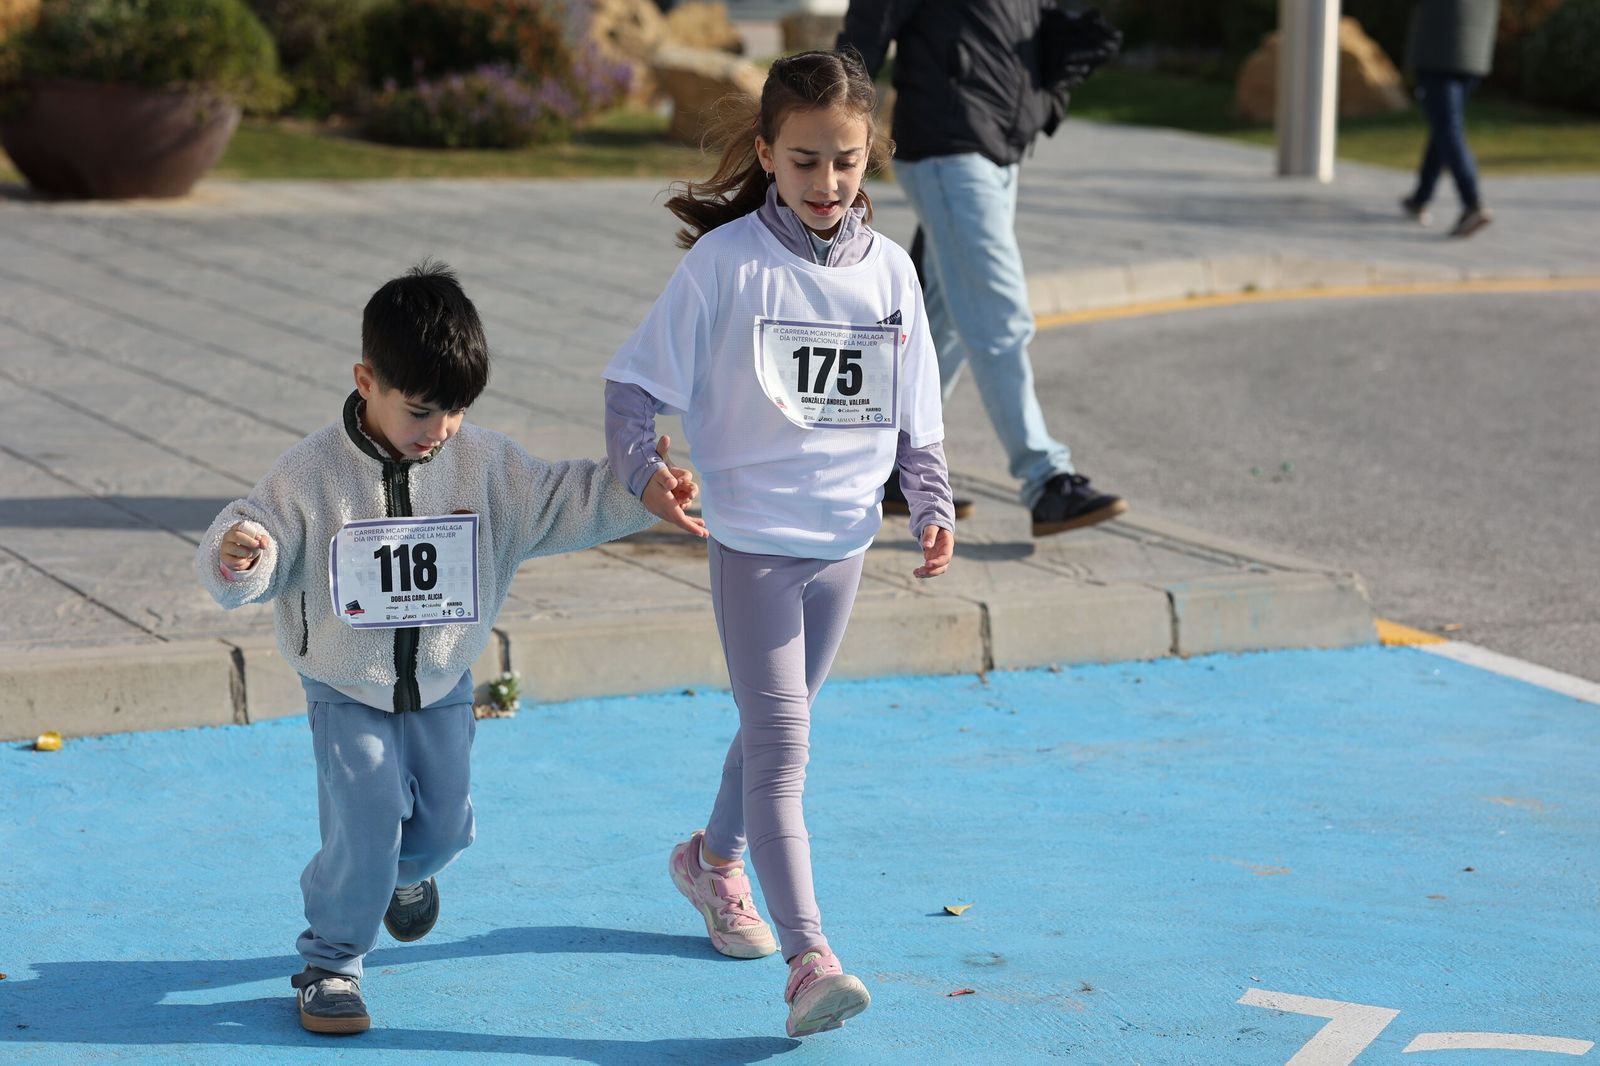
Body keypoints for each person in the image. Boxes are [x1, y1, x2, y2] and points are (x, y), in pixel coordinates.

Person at [195, 262, 683, 1035]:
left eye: (455, 410)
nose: (439, 429)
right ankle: (330, 961)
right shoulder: (310, 474)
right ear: (366, 380)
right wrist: (239, 555)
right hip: (342, 686)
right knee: (367, 816)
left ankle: (399, 879)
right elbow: (256, 536)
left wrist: (641, 490)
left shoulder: (484, 465)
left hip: (443, 681)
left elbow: (566, 496)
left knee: (446, 828)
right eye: (421, 410)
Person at [602, 50, 955, 1038]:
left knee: (775, 728)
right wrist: (645, 472)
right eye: (802, 162)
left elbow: (915, 410)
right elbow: (631, 385)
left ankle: (710, 863)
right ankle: (810, 958)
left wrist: (929, 504)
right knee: (786, 748)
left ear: (869, 156)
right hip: (752, 542)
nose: (826, 183)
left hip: (844, 545)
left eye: (845, 162)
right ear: (765, 153)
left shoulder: (889, 270)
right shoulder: (723, 267)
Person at [838, 0, 1128, 536]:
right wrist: (825, 114)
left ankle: (897, 467)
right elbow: (866, 31)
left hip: (1000, 150)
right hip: (950, 147)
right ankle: (1046, 480)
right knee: (997, 316)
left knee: (944, 320)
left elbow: (1036, 33)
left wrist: (1052, 85)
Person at [1401, 0, 1499, 238]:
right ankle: (1420, 198)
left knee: (1447, 128)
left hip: (1440, 51)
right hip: (1474, 52)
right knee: (1443, 127)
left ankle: (1472, 202)